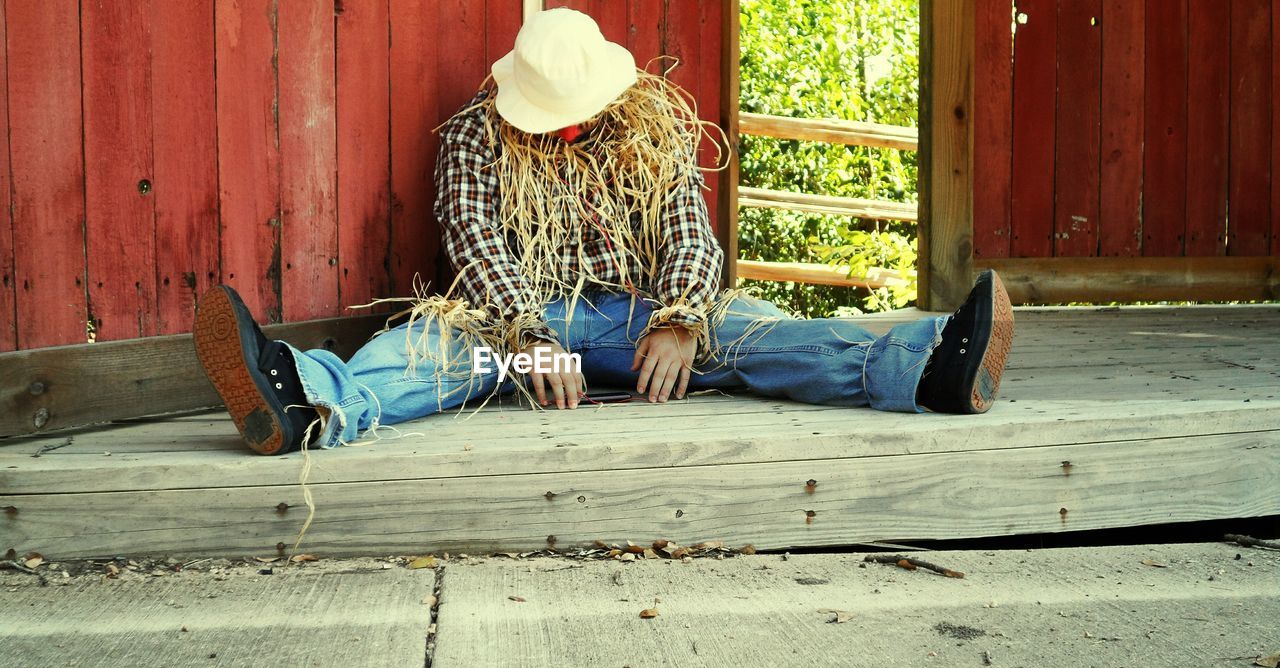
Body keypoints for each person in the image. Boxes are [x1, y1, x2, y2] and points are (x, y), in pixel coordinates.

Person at [193, 8, 1015, 456]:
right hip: (515, 325)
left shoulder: (648, 126)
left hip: (642, 318)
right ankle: (309, 402)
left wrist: (681, 319)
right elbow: (477, 248)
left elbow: (692, 234)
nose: (566, 130)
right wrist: (524, 337)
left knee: (758, 338)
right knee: (430, 353)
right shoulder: (473, 137)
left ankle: (926, 368)